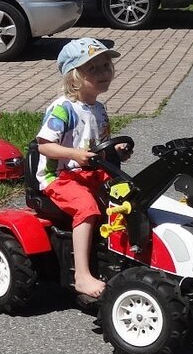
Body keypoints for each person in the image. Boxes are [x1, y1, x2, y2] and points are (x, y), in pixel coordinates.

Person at [34, 37, 130, 300]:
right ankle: (82, 276)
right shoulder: (63, 108)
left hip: (92, 172)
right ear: (74, 76)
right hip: (61, 176)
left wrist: (118, 151)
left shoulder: (99, 109)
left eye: (106, 66)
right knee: (86, 206)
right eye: (93, 69)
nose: (103, 73)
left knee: (130, 197)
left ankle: (122, 254)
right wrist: (75, 154)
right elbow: (44, 146)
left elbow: (101, 144)